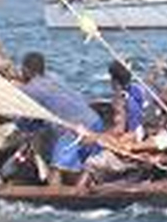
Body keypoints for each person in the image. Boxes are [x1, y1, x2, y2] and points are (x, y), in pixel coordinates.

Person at [17, 51, 106, 187]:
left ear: (26, 70)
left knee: (56, 169)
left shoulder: (30, 90)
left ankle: (54, 203)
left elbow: (22, 123)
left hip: (74, 128)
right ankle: (81, 188)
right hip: (95, 121)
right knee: (82, 164)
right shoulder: (54, 77)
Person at [108, 60, 149, 142]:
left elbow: (119, 130)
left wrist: (95, 135)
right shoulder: (136, 89)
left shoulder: (119, 100)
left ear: (115, 81)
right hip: (140, 130)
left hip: (132, 136)